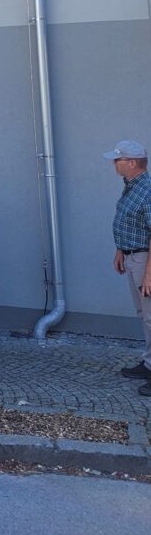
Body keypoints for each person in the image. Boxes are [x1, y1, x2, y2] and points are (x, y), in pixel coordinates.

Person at [103, 140, 151, 394]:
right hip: (133, 256)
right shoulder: (132, 186)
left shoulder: (147, 190)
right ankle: (149, 364)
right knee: (145, 315)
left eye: (117, 159)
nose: (114, 163)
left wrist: (149, 274)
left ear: (131, 163)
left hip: (145, 260)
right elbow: (131, 222)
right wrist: (120, 250)